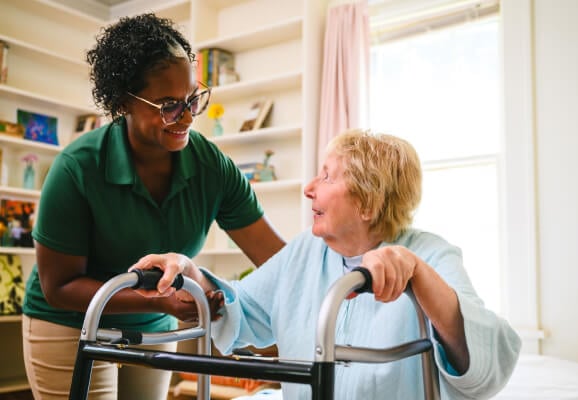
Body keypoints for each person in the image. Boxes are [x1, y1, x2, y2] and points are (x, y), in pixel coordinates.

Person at [133, 129, 522, 399]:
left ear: (368, 203)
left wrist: (416, 272)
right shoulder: (306, 251)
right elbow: (240, 307)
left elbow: (487, 359)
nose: (308, 188)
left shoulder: (431, 253)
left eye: (327, 176)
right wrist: (190, 272)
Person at [21, 13, 286, 400]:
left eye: (193, 98)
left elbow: (277, 259)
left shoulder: (212, 168)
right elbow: (60, 287)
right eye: (168, 105)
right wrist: (165, 298)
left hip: (156, 325)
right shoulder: (77, 168)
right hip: (69, 323)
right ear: (124, 101)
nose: (188, 116)